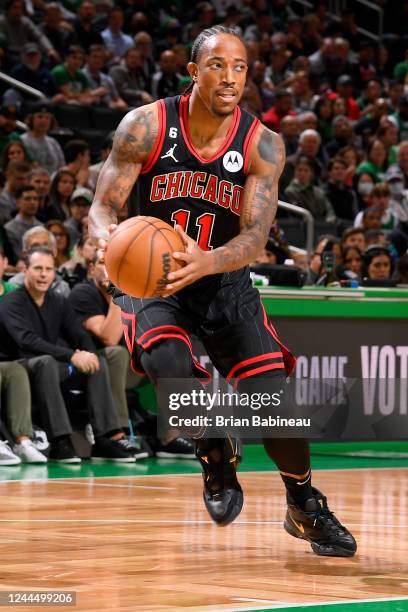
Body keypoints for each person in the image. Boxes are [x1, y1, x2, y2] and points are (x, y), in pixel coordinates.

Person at [89, 25, 356, 557]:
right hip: (155, 277)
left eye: (239, 67)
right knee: (166, 357)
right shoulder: (144, 125)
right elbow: (102, 206)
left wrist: (206, 261)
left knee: (273, 401)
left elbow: (256, 235)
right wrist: (104, 240)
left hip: (223, 278)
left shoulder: (262, 143)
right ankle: (214, 454)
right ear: (193, 72)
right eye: (217, 65)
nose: (230, 76)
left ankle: (303, 505)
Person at [0, 246, 137, 463]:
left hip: (52, 365)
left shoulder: (58, 300)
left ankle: (105, 438)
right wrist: (72, 355)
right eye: (37, 268)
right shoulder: (11, 301)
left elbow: (79, 333)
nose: (44, 274)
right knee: (46, 363)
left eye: (48, 269)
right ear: (25, 271)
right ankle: (61, 441)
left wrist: (89, 355)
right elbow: (26, 340)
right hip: (21, 365)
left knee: (97, 361)